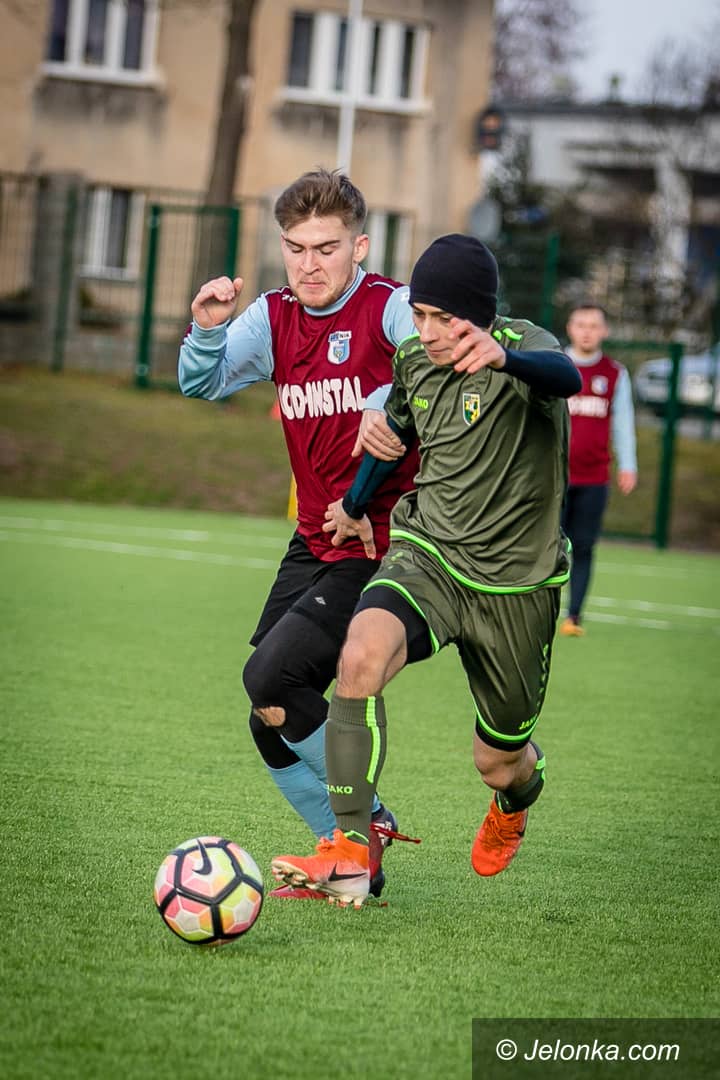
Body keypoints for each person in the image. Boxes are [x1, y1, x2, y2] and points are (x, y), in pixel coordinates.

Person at [177, 172, 485, 899]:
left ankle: (363, 821)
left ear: (360, 247)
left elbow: (432, 370)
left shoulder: (391, 307)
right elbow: (202, 383)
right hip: (315, 538)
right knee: (269, 716)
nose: (309, 264)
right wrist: (208, 329)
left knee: (272, 679)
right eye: (296, 248)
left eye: (326, 248)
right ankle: (351, 863)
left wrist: (383, 406)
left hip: (385, 542)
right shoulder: (273, 315)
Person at [270, 234, 582, 908]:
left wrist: (505, 358)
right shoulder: (415, 359)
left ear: (482, 315)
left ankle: (515, 800)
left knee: (498, 762)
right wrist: (355, 504)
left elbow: (567, 377)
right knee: (360, 655)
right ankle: (351, 849)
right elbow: (396, 435)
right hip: (429, 554)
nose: (430, 332)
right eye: (420, 315)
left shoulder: (525, 347)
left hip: (515, 585)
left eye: (446, 318)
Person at [560, 304, 638, 637]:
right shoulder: (554, 365)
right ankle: (538, 610)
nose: (587, 331)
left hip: (594, 479)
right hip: (553, 478)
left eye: (594, 325)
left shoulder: (615, 373)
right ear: (570, 328)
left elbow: (624, 423)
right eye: (581, 324)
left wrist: (628, 464)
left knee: (583, 547)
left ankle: (574, 616)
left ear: (604, 331)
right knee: (548, 548)